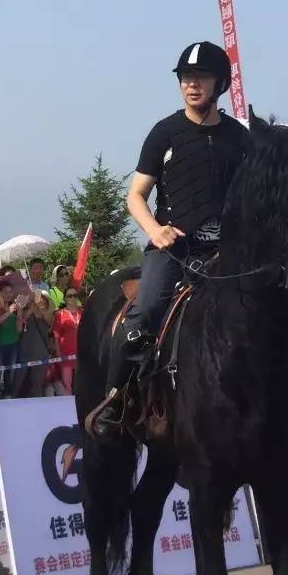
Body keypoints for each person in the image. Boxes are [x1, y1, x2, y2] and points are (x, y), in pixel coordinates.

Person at [87, 39, 250, 438]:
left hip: (226, 252)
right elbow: (135, 195)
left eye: (201, 78)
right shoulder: (165, 132)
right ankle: (114, 400)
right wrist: (155, 230)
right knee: (144, 312)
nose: (192, 85)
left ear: (221, 84)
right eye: (186, 78)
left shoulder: (239, 138)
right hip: (173, 249)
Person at [50, 287, 82, 395]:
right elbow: (56, 336)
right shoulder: (60, 314)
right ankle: (69, 408)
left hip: (81, 355)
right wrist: (59, 355)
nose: (73, 298)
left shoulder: (82, 312)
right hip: (66, 355)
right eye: (70, 296)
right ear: (65, 299)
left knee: (80, 384)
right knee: (67, 385)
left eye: (75, 295)